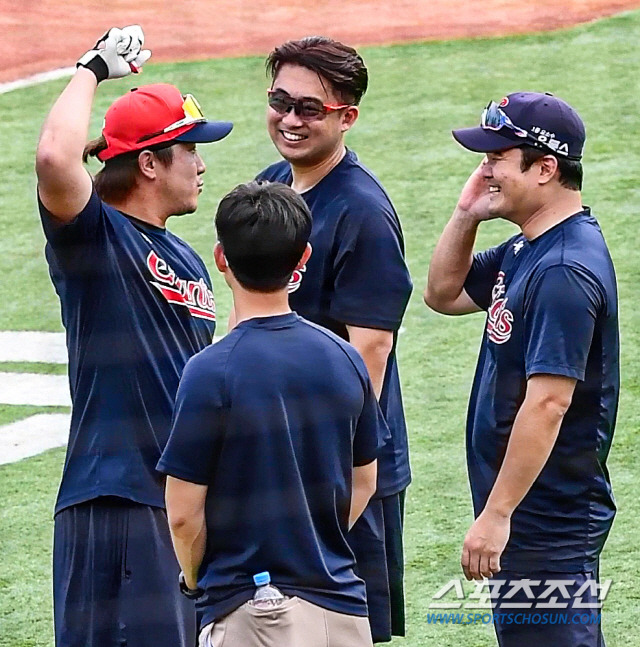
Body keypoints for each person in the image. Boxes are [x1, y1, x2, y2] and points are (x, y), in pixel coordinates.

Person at [35, 25, 233, 647]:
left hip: (178, 503)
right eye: (190, 149)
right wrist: (90, 70)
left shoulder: (185, 254)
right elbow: (53, 160)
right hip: (116, 501)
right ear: (149, 163)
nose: (202, 164)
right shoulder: (95, 240)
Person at [424, 92, 618, 647]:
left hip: (546, 516)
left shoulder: (563, 269)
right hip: (529, 511)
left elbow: (549, 403)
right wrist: (466, 214)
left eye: (496, 158)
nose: (484, 170)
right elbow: (443, 293)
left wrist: (496, 514)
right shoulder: (528, 248)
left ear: (545, 168)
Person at [157, 180, 386, 647]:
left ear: (221, 258)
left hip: (253, 614)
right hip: (342, 610)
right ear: (303, 259)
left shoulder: (208, 372)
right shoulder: (344, 357)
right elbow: (365, 480)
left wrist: (196, 580)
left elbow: (183, 514)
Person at [256, 36, 413, 643]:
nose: (291, 119)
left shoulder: (361, 212)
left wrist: (341, 464)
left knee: (338, 627)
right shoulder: (272, 186)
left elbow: (370, 348)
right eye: (280, 101)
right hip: (279, 449)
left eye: (310, 109)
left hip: (341, 463)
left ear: (346, 117)